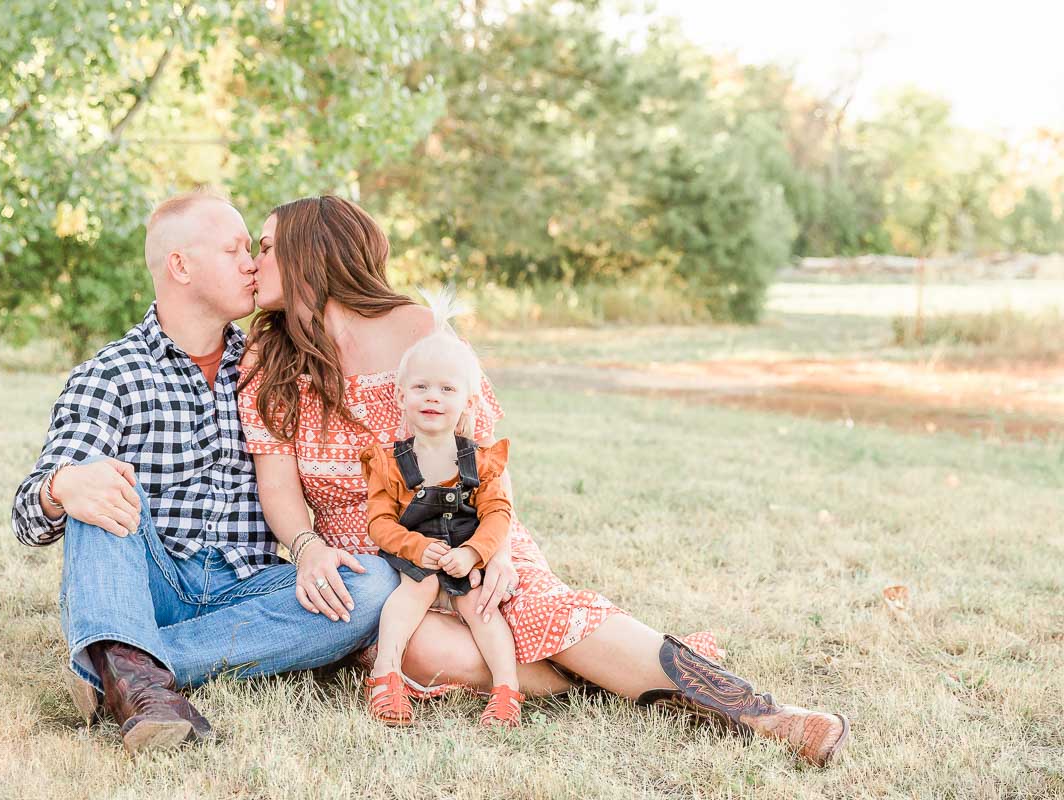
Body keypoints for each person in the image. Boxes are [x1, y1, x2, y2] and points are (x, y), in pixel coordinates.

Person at [237, 195, 850, 767]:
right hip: (377, 555)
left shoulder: (421, 330)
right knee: (422, 651)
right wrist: (307, 548)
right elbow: (280, 486)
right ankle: (605, 677)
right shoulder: (268, 357)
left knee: (533, 609)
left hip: (469, 525)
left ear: (309, 251)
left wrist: (495, 548)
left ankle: (762, 715)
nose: (253, 261)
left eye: (264, 247)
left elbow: (484, 458)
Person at [10, 191, 398, 754]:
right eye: (234, 249)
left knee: (372, 585)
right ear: (181, 266)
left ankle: (125, 664)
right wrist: (61, 487)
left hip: (251, 588)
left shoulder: (274, 364)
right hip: (151, 585)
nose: (253, 263)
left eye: (252, 249)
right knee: (97, 485)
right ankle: (133, 658)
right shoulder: (110, 374)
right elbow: (27, 516)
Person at [360, 290, 522, 728]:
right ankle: (385, 673)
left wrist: (473, 554)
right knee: (415, 591)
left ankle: (507, 690)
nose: (433, 397)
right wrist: (414, 547)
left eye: (447, 388)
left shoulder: (480, 459)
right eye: (421, 387)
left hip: (465, 551)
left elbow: (497, 515)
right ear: (400, 396)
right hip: (416, 556)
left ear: (468, 402)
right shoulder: (388, 461)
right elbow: (379, 523)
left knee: (478, 604)